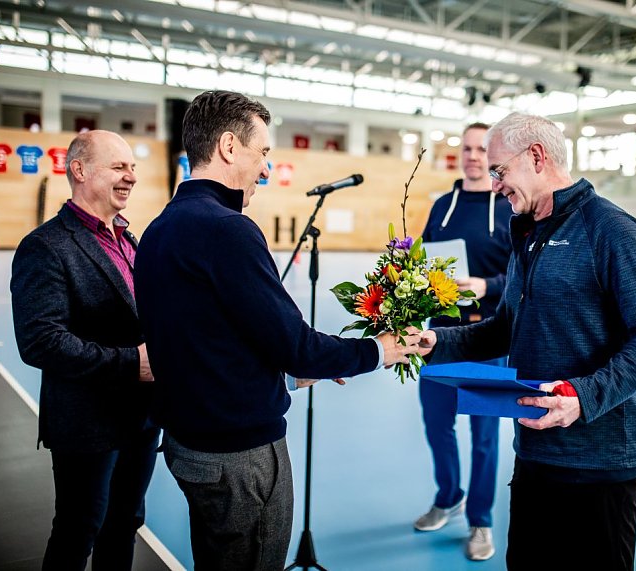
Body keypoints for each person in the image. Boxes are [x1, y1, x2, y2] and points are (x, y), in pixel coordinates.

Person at [133, 90, 421, 571]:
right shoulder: (228, 230)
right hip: (240, 457)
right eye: (262, 151)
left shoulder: (160, 228)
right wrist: (378, 350)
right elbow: (296, 345)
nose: (266, 168)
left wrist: (287, 375)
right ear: (229, 147)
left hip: (189, 446)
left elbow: (205, 344)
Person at [418, 112, 636, 571]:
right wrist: (431, 341)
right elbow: (504, 329)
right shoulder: (526, 232)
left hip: (600, 461)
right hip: (536, 452)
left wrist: (582, 396)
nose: (495, 182)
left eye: (500, 170)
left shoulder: (611, 230)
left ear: (536, 157)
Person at [10, 130, 158, 570]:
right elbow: (41, 341)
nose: (131, 176)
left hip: (141, 418)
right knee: (79, 530)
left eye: (132, 167)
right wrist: (133, 363)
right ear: (79, 170)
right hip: (87, 422)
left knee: (126, 522)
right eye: (119, 167)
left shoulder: (130, 243)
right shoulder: (46, 246)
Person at [413, 122, 512, 561]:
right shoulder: (441, 206)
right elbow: (422, 258)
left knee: (484, 435)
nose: (473, 156)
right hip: (441, 334)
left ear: (491, 156)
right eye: (467, 149)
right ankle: (448, 495)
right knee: (437, 426)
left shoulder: (509, 207)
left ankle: (481, 520)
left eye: (480, 150)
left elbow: (522, 275)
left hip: (488, 335)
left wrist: (486, 286)